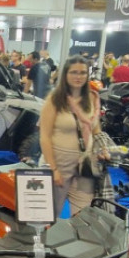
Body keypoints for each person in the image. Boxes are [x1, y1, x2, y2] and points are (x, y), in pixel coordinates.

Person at [38, 55, 103, 218]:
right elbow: (45, 137)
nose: (78, 76)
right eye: (74, 72)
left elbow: (95, 128)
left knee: (84, 217)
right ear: (65, 74)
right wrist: (53, 169)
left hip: (85, 165)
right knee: (49, 217)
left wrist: (102, 148)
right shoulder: (54, 100)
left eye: (82, 73)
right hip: (59, 162)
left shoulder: (92, 98)